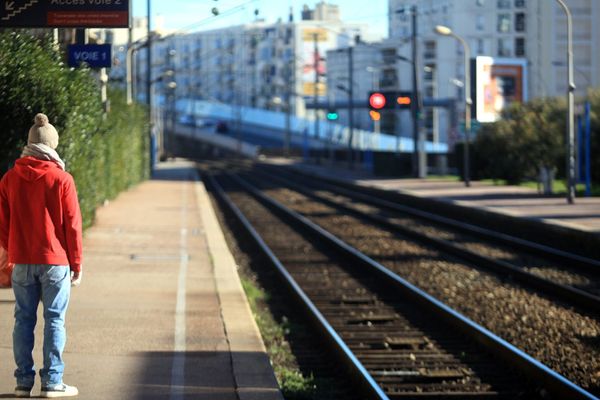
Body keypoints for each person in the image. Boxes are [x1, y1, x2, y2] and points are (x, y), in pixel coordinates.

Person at [0, 113, 82, 398]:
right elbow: (72, 225)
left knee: (23, 319)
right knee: (55, 320)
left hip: (21, 262)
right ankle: (53, 381)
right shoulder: (62, 179)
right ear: (53, 146)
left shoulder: (9, 178)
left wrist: (14, 249)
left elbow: (3, 222)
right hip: (55, 261)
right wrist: (77, 264)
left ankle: (23, 382)